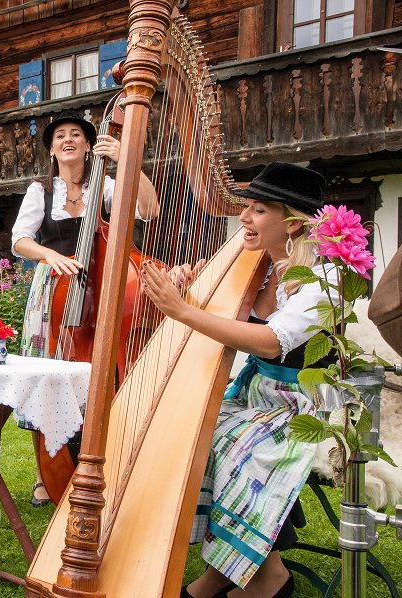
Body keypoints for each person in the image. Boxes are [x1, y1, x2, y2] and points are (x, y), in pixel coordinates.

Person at [141, 162, 337, 598]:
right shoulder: (260, 268)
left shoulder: (323, 280)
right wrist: (188, 289)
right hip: (256, 393)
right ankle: (228, 571)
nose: (244, 218)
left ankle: (268, 578)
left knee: (228, 440)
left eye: (259, 210)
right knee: (188, 427)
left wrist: (185, 311)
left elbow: (269, 342)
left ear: (292, 223)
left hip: (303, 404)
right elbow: (221, 314)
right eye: (245, 207)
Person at [12, 110, 159, 506]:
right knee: (47, 376)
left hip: (103, 290)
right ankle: (48, 471)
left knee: (101, 377)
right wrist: (48, 256)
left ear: (90, 145)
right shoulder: (40, 191)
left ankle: (103, 461)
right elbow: (20, 240)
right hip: (53, 293)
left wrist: (130, 160)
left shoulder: (106, 184)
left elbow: (149, 210)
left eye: (76, 134)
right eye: (60, 135)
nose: (68, 139)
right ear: (52, 148)